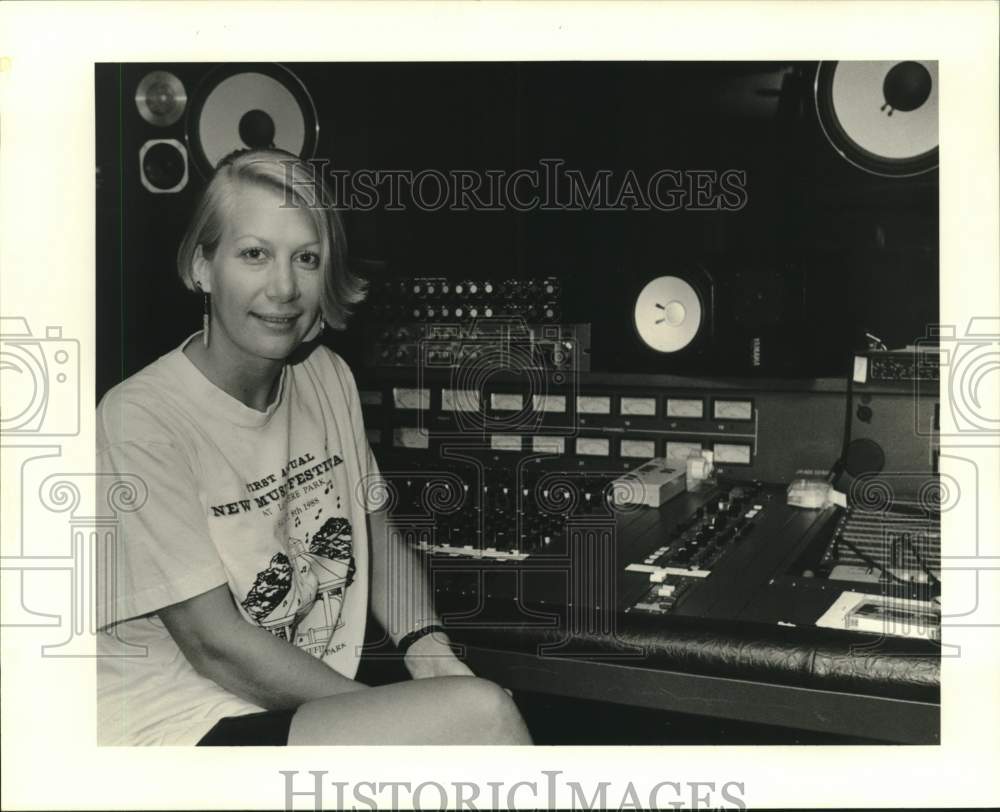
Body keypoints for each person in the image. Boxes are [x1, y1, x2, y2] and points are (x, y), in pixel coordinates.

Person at [96, 148, 532, 746]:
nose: (283, 287)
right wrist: (410, 718)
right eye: (254, 254)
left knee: (469, 706)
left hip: (290, 706)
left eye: (306, 258)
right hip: (177, 728)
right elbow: (215, 646)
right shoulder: (139, 417)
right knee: (482, 716)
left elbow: (374, 532)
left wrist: (430, 653)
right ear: (203, 267)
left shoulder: (326, 375)